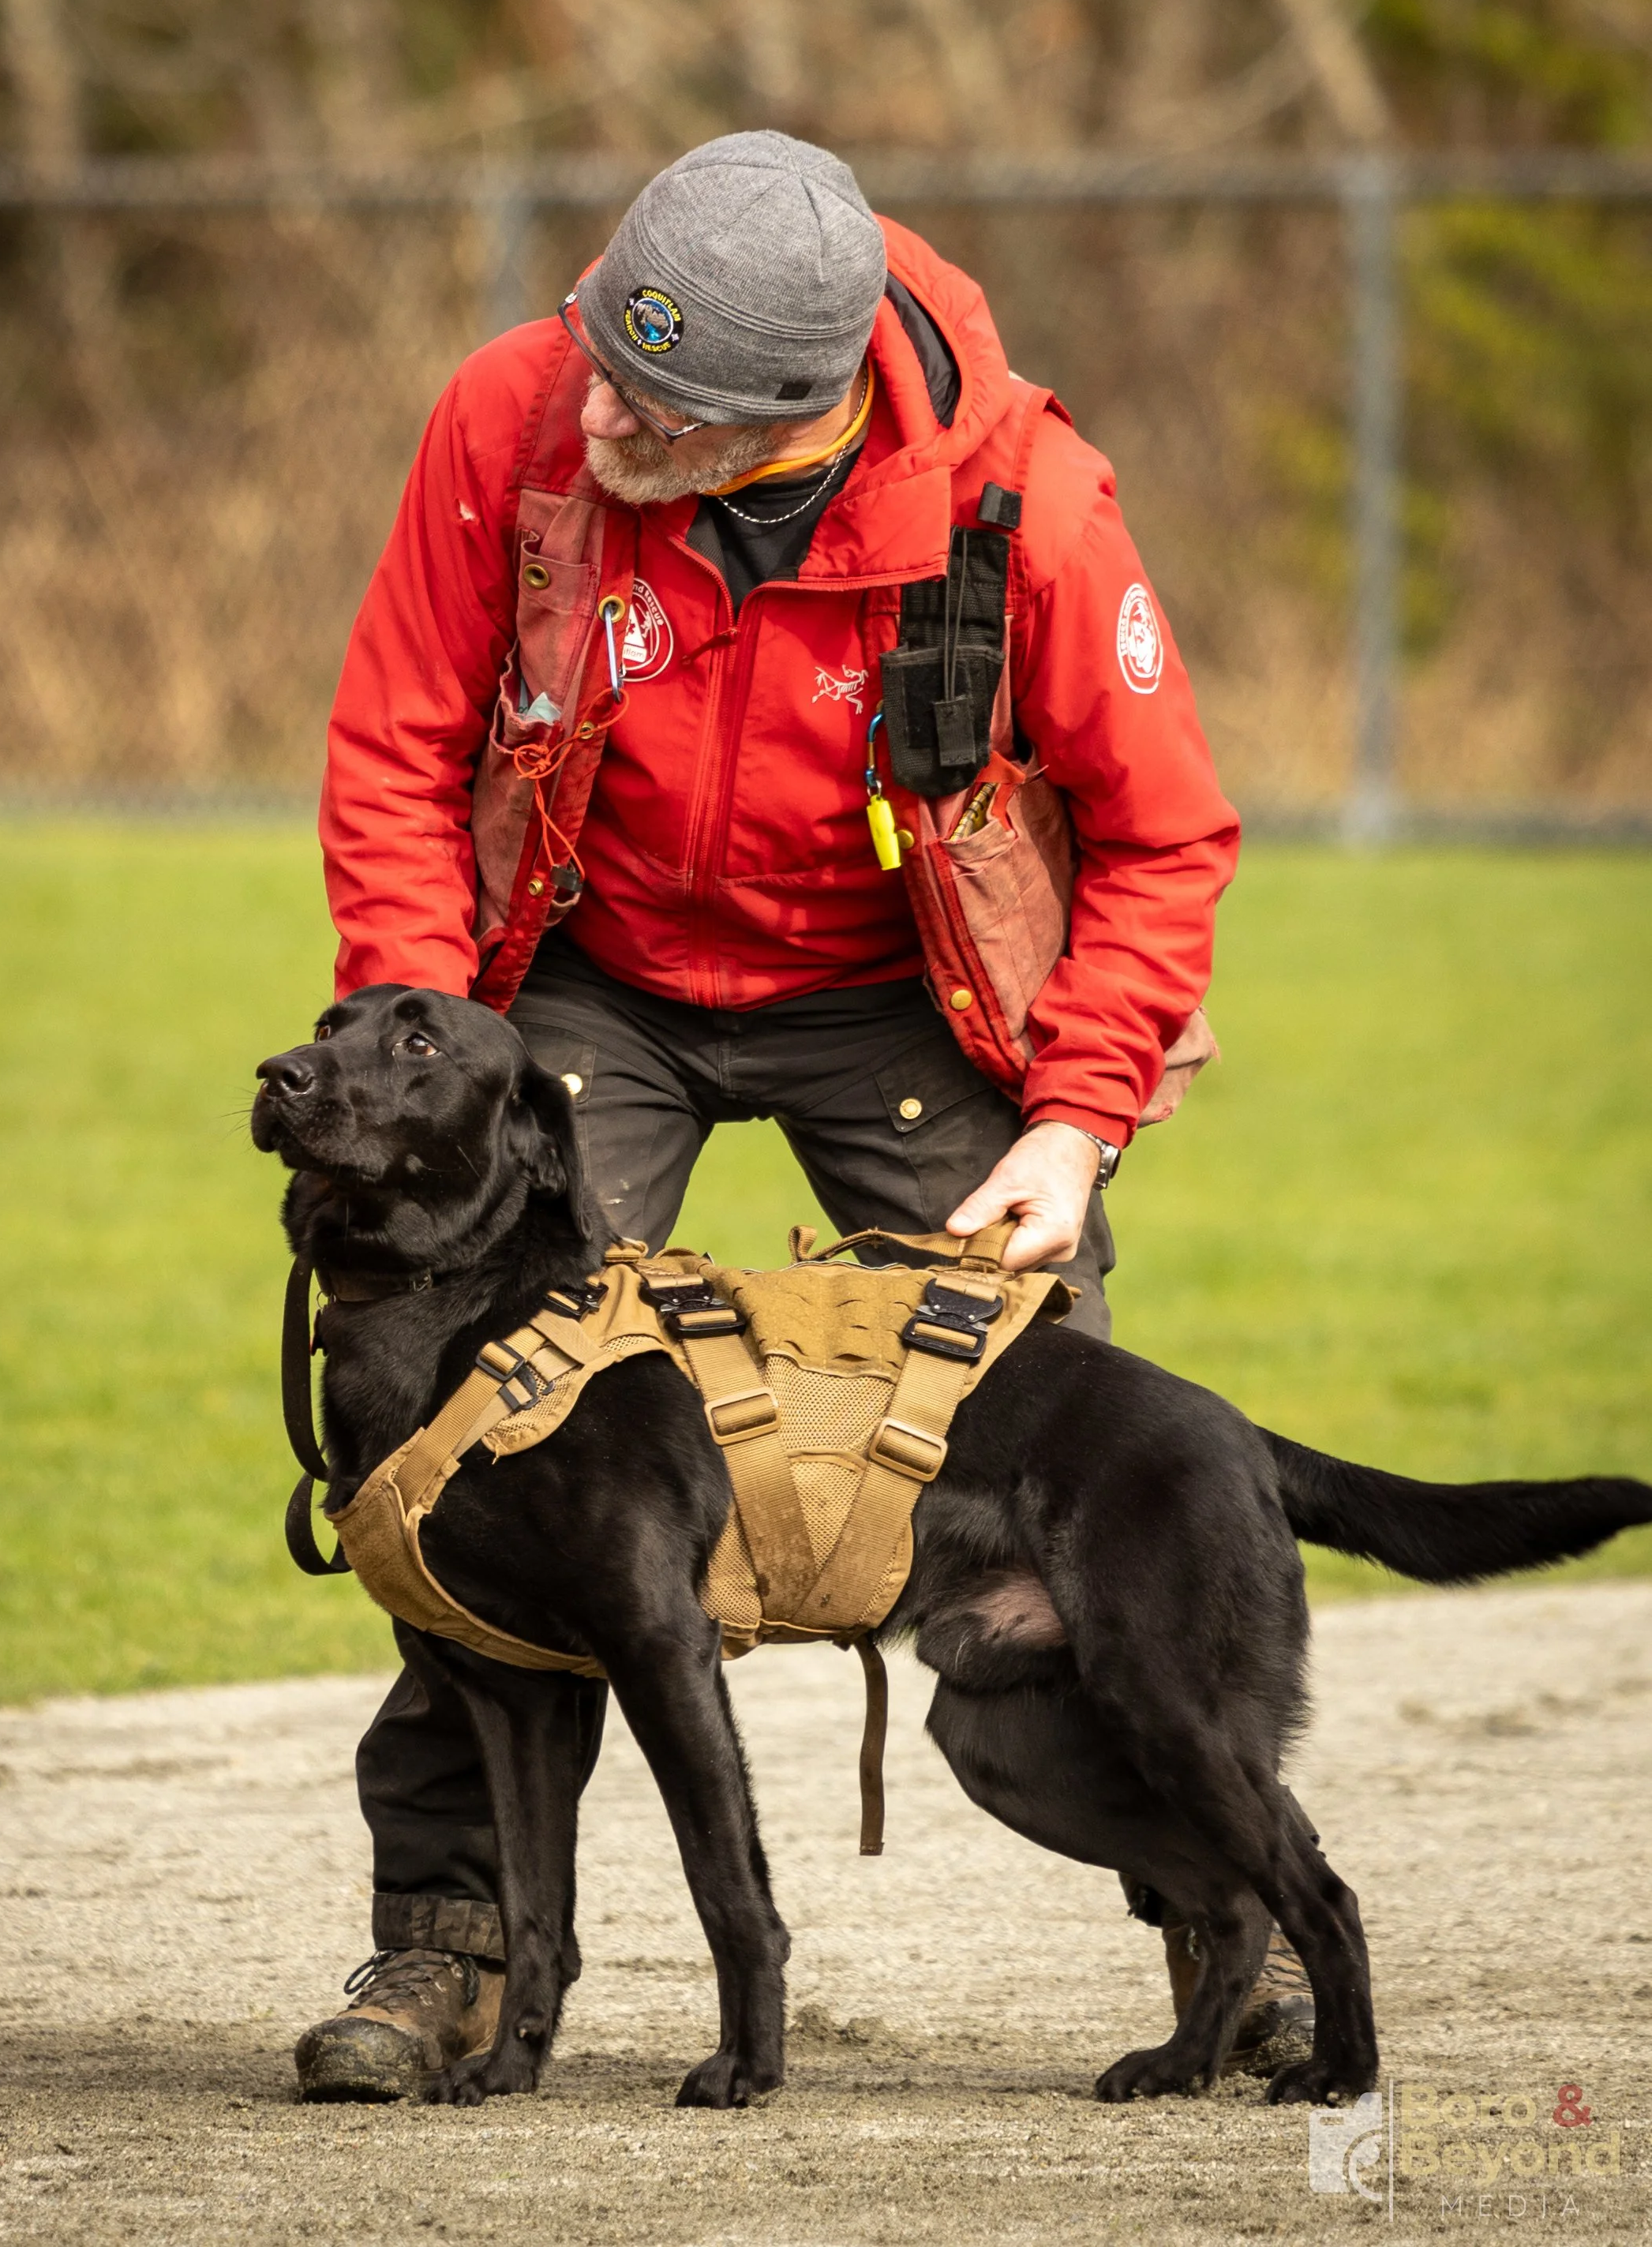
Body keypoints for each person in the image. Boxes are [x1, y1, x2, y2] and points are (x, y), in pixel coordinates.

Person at [299, 130, 1305, 2102]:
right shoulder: (512, 420)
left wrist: (1076, 1118)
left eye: (646, 406)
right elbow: (393, 747)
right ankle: (451, 1948)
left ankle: (1229, 1926)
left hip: (897, 992)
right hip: (588, 971)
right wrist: (437, 1058)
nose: (590, 412)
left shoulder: (1030, 500)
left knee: (1065, 1432)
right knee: (463, 1437)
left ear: (795, 407)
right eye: (599, 352)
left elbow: (1169, 834)